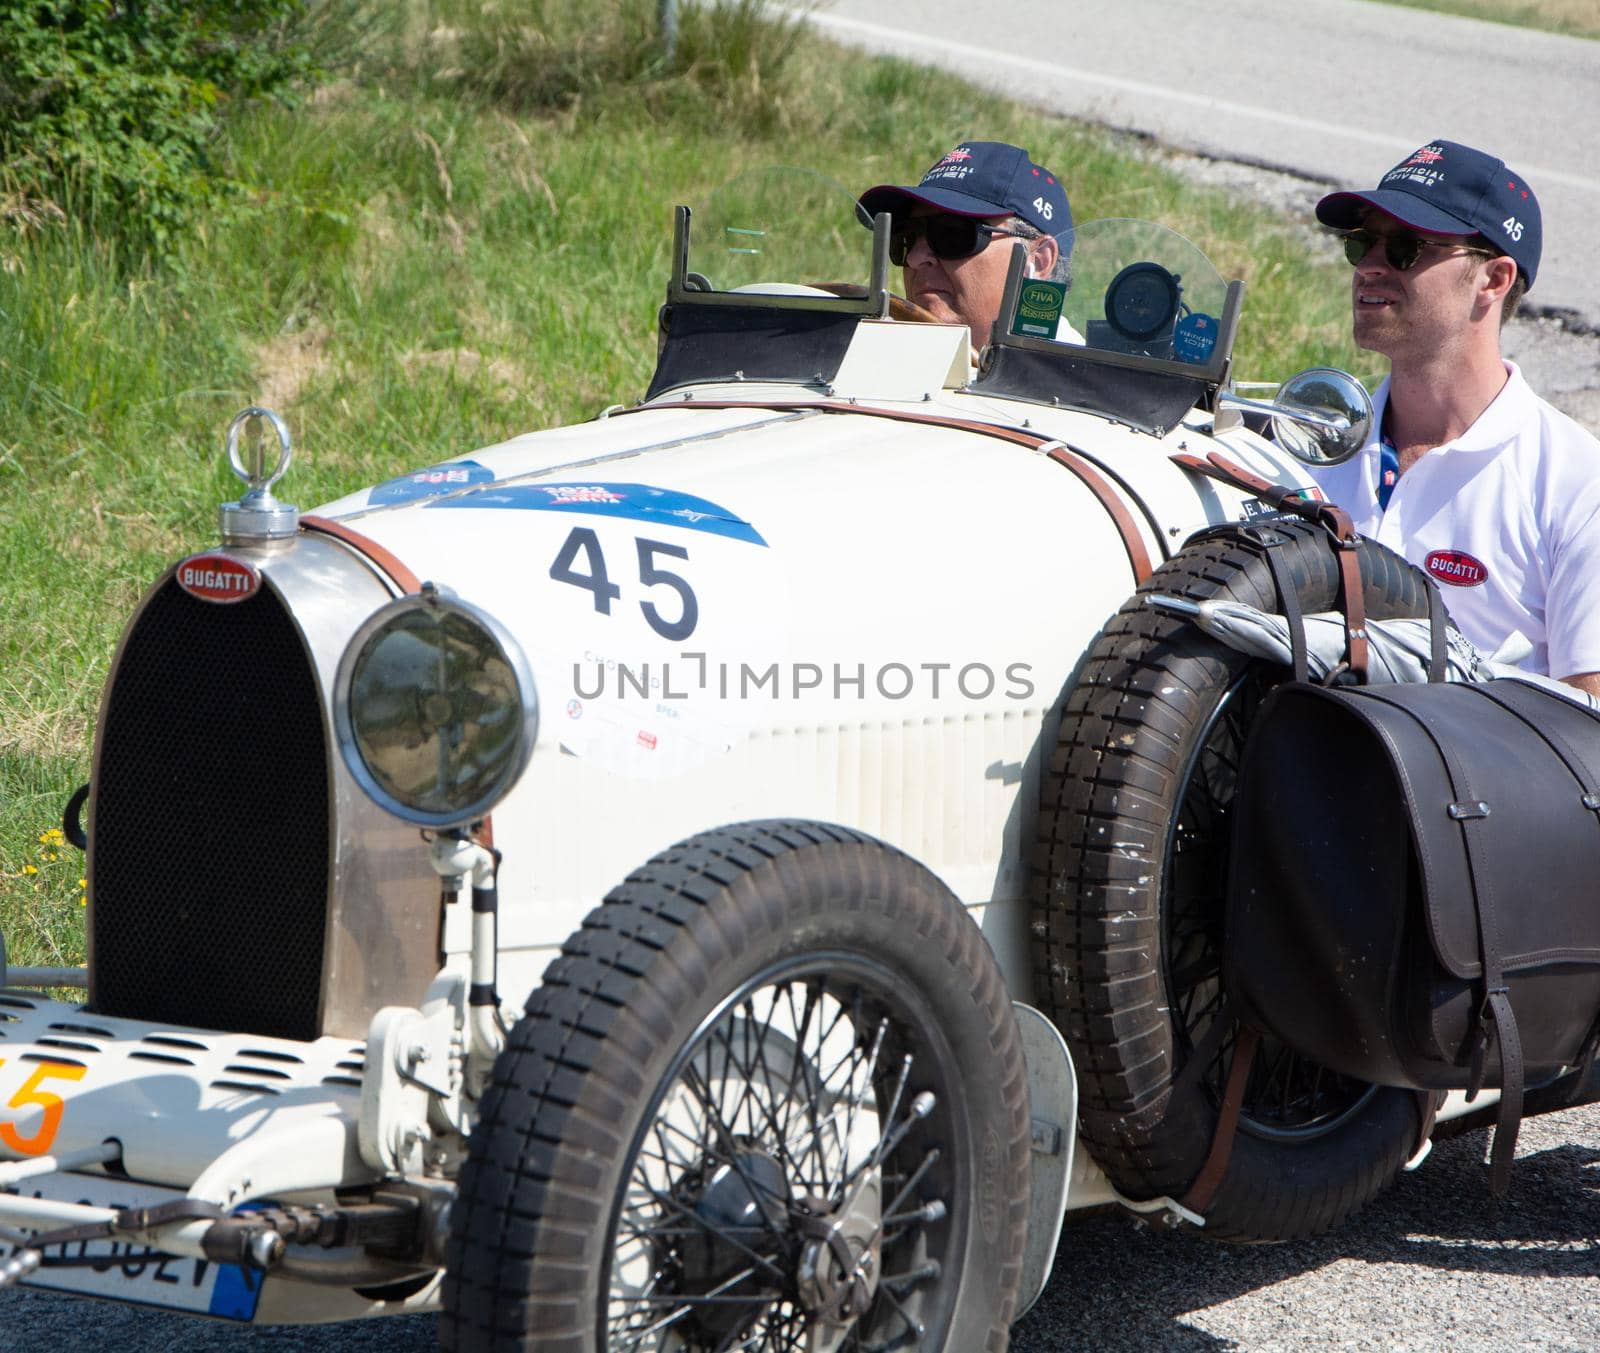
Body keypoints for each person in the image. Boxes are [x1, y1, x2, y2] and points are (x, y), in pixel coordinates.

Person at [1308, 138, 1600, 694]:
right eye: (1361, 243)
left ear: (1493, 280)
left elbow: (1591, 738)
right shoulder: (1313, 442)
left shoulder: (1579, 487)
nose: (1369, 266)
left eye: (1406, 248)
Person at [859, 140, 1071, 351]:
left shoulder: (1075, 381)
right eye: (906, 237)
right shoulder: (870, 360)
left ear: (1038, 260)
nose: (914, 258)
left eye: (952, 235)